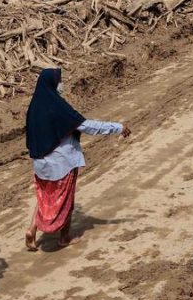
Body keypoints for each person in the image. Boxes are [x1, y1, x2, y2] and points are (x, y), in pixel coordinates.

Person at [24, 67, 130, 251]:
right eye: (59, 80)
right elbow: (86, 126)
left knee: (44, 197)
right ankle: (64, 237)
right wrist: (117, 127)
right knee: (66, 199)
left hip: (40, 164)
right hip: (61, 163)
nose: (61, 84)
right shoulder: (57, 107)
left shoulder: (34, 106)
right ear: (52, 83)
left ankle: (31, 230)